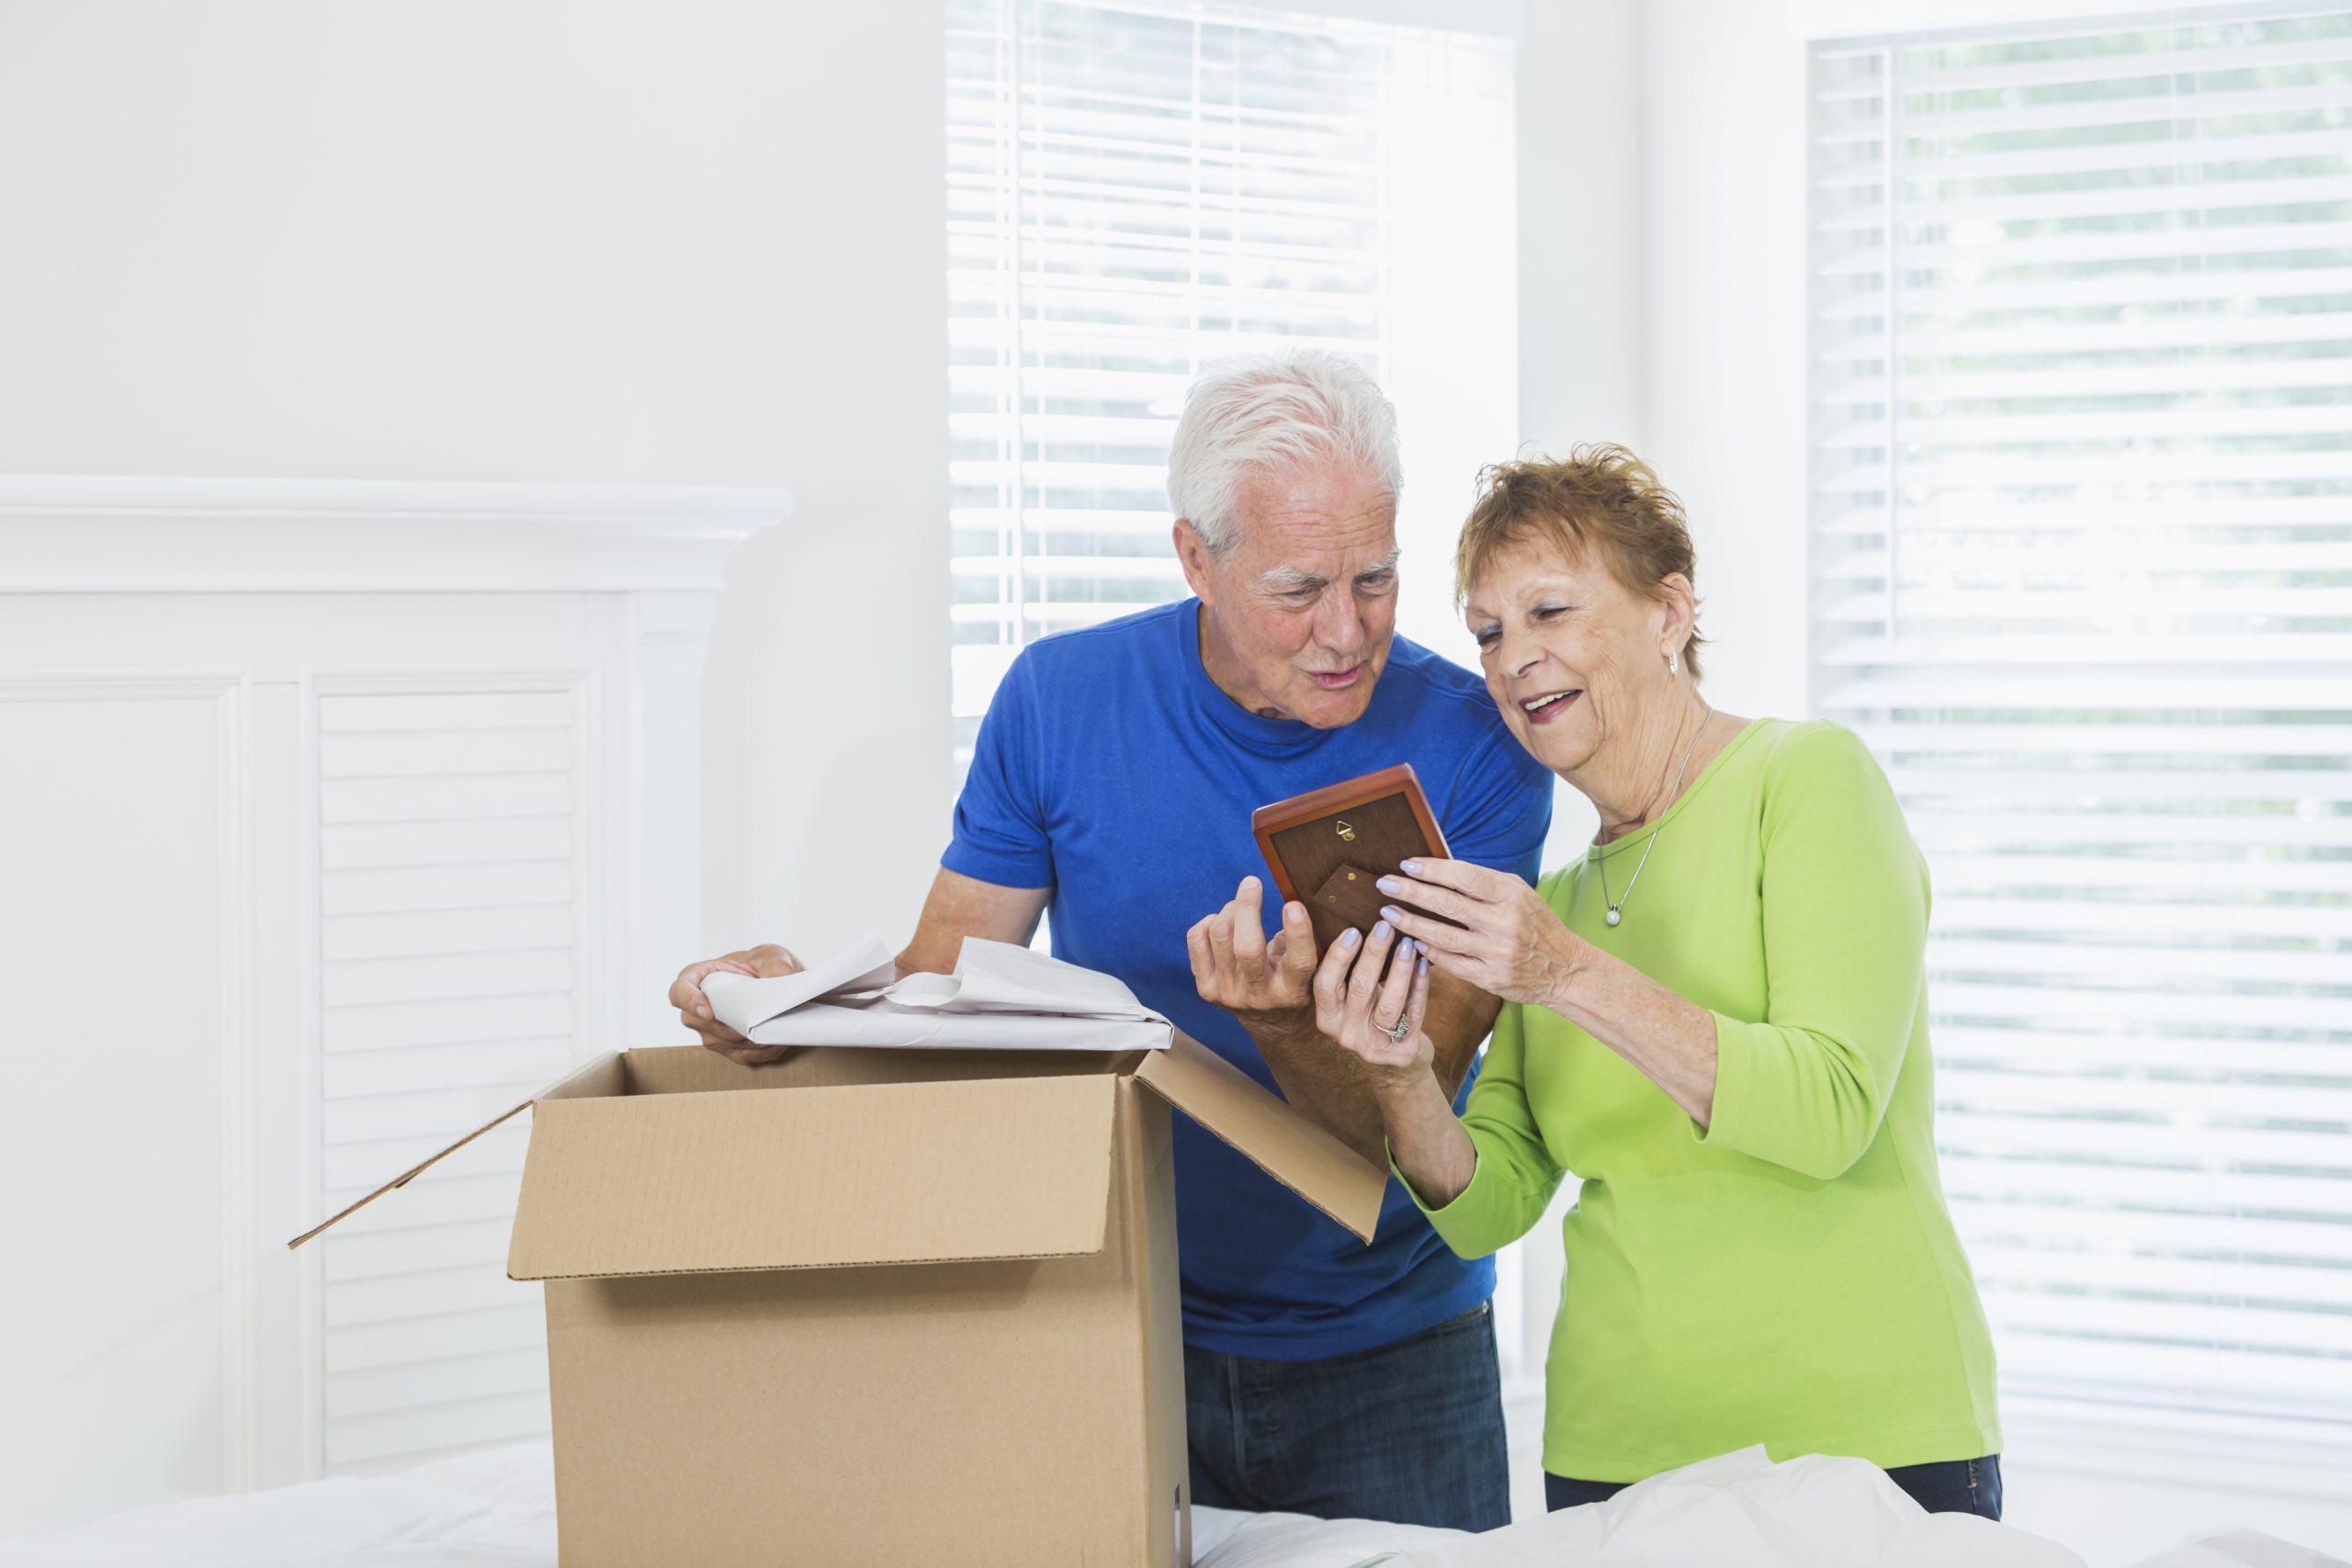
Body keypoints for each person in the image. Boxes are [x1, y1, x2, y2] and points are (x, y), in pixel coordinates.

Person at [668, 351, 1552, 1530]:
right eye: (1299, 589)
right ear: (1196, 556)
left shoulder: (1474, 746)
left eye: (1376, 578)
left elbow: (1413, 1116)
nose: (1347, 631)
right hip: (1118, 1321)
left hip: (1393, 1349)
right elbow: (943, 997)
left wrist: (1280, 1024)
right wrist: (793, 1009)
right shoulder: (1058, 700)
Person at [1317, 445, 2005, 1520]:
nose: (1512, 660)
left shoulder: (1807, 779)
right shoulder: (1550, 898)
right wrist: (1401, 1076)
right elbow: (1489, 1202)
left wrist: (1565, 973)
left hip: (1863, 1444)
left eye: (1551, 611)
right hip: (1614, 1458)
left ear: (1668, 612)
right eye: (1489, 632)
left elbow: (1827, 1111)